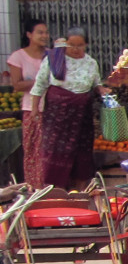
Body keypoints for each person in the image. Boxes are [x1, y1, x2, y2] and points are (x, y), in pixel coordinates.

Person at [28, 27, 108, 190]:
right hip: (58, 118)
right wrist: (34, 108)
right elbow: (40, 84)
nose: (76, 49)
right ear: (65, 44)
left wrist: (102, 90)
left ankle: (78, 192)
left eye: (80, 45)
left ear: (86, 44)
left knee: (81, 154)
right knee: (56, 152)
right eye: (72, 45)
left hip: (82, 118)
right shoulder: (53, 60)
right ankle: (53, 191)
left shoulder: (91, 62)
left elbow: (96, 83)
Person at [7, 18, 48, 185]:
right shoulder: (18, 56)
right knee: (32, 151)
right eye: (40, 32)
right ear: (29, 34)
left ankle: (49, 186)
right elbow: (16, 85)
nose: (44, 35)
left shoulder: (52, 56)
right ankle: (34, 187)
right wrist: (42, 81)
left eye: (46, 32)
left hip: (52, 109)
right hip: (31, 109)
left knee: (49, 152)